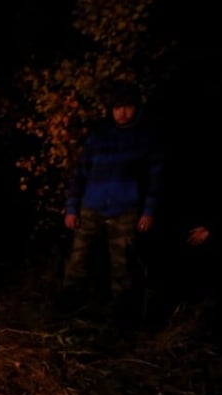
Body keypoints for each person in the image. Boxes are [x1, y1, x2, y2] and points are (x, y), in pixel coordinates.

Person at [60, 79, 164, 325]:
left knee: (123, 264)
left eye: (127, 106)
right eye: (117, 107)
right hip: (91, 206)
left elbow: (155, 178)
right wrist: (72, 207)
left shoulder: (145, 139)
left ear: (136, 108)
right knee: (77, 259)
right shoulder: (99, 138)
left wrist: (148, 211)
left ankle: (123, 315)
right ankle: (68, 307)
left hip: (125, 209)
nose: (122, 112)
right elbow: (80, 173)